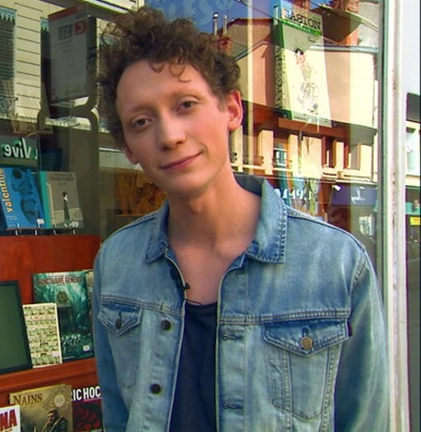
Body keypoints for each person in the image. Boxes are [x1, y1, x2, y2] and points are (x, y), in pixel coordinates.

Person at [92, 7, 388, 431]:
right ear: (129, 149)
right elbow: (118, 416)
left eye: (186, 105)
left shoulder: (335, 264)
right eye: (141, 121)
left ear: (231, 109)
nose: (170, 135)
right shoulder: (118, 263)